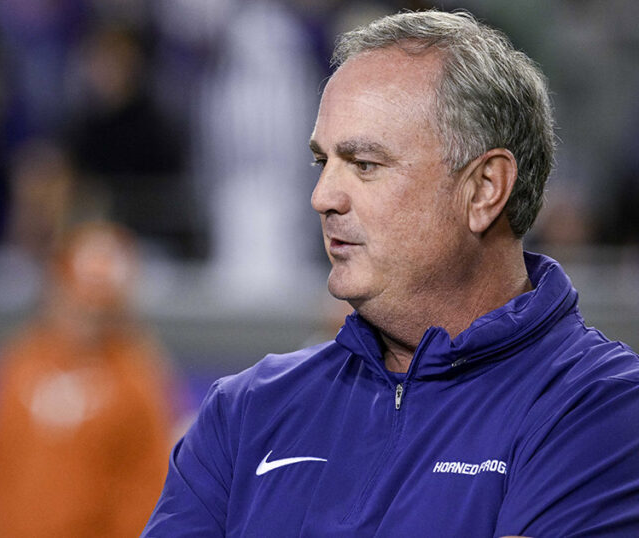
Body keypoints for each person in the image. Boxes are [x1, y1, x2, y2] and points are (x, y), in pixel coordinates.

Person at [143, 10, 639, 537]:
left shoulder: (601, 410)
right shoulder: (243, 413)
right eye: (322, 162)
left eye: (364, 164)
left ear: (485, 189)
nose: (322, 198)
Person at [0, 222, 176, 538]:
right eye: (79, 292)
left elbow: (146, 490)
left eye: (101, 301)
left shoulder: (137, 378)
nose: (87, 311)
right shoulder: (18, 362)